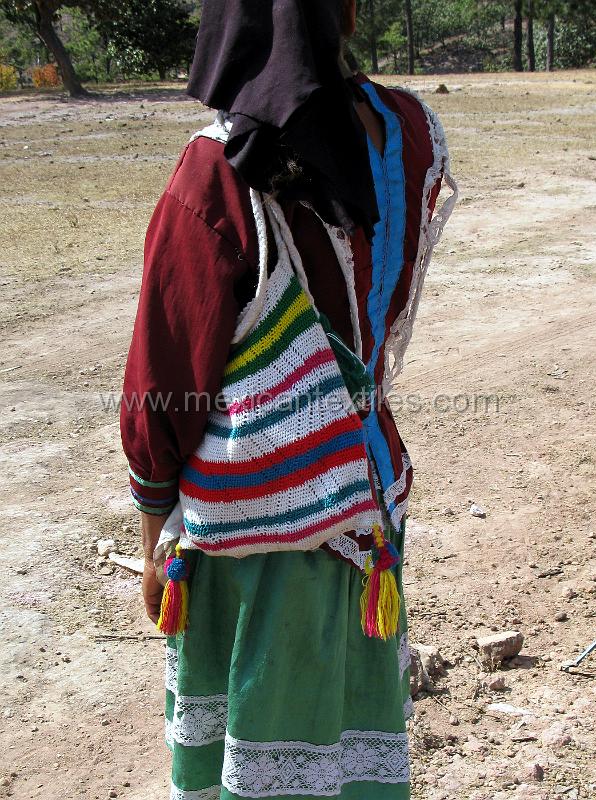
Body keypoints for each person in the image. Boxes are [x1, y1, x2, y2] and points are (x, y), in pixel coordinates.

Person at [120, 1, 457, 798]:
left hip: (257, 532)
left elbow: (163, 376)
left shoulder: (219, 170)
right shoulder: (405, 133)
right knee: (345, 746)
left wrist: (150, 537)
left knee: (265, 760)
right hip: (367, 507)